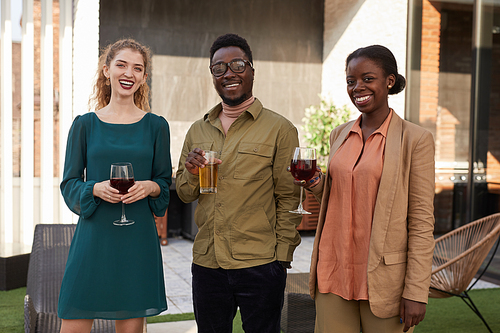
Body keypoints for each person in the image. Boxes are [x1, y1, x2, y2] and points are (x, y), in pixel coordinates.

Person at [300, 45, 435, 333]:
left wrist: (416, 290)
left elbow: (422, 222)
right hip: (333, 272)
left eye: (367, 78)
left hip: (385, 281)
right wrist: (313, 182)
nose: (357, 87)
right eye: (351, 81)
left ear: (389, 80)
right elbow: (338, 195)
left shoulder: (416, 140)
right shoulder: (339, 134)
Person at [176, 33, 302, 333]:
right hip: (207, 263)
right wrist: (192, 172)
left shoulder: (280, 129)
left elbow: (289, 197)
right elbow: (183, 192)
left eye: (237, 64)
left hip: (259, 263)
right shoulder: (197, 129)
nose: (228, 73)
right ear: (213, 76)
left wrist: (281, 258)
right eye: (218, 68)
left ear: (252, 71)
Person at [58, 39, 171, 333]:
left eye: (138, 68)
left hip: (137, 241)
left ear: (144, 78)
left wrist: (150, 187)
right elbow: (69, 184)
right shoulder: (84, 125)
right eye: (121, 65)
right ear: (106, 70)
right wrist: (93, 189)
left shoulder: (156, 126)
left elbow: (164, 184)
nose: (129, 73)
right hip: (93, 239)